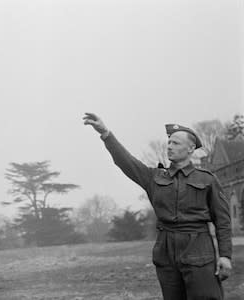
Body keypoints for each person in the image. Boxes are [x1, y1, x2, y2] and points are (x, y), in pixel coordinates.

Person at [82, 112, 232, 300]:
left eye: (175, 143)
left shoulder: (207, 179)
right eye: (169, 142)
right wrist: (106, 134)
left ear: (190, 148)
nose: (169, 146)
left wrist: (225, 256)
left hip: (199, 251)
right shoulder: (154, 177)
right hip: (166, 252)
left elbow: (223, 221)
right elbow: (126, 162)